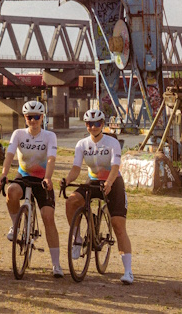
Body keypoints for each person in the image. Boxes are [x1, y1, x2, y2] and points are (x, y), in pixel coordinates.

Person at [63, 108, 133, 285]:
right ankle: (77, 239)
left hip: (113, 182)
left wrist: (109, 182)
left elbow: (115, 167)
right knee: (71, 201)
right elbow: (76, 169)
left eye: (96, 123)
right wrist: (67, 180)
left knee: (118, 225)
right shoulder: (82, 144)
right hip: (93, 181)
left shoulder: (112, 142)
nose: (93, 127)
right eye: (89, 124)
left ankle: (128, 271)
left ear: (102, 124)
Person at [0, 100, 63, 278]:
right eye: (29, 117)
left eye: (36, 117)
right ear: (25, 118)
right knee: (11, 191)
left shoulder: (49, 136)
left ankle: (56, 264)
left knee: (48, 217)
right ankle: (15, 226)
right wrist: (4, 174)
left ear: (42, 118)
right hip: (24, 175)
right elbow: (10, 154)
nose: (33, 120)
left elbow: (51, 159)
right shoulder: (18, 134)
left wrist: (47, 178)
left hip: (42, 178)